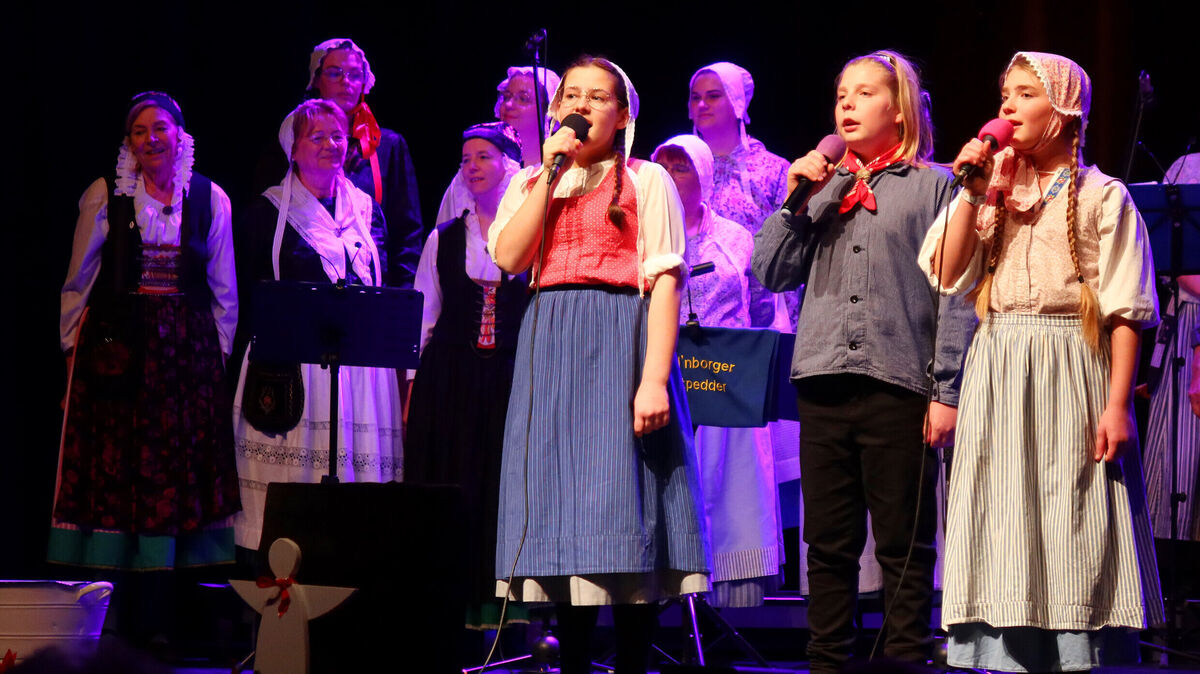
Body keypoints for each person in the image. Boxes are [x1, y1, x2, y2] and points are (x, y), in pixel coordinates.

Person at [922, 51, 1165, 672]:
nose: (1007, 106)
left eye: (1026, 94)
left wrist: (1116, 404)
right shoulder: (993, 191)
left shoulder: (1102, 196)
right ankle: (1006, 653)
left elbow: (1126, 309)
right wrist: (973, 191)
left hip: (1070, 367)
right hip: (1000, 366)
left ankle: (1077, 649)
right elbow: (947, 275)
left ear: (1063, 112)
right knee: (1003, 510)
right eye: (1005, 93)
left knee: (1071, 510)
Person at [751, 50, 975, 673]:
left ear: (898, 109)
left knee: (904, 540)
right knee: (827, 542)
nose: (845, 103)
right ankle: (828, 658)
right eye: (841, 93)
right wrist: (804, 194)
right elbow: (769, 271)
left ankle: (904, 654)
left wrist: (947, 390)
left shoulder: (936, 188)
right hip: (823, 380)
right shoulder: (819, 186)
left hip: (899, 381)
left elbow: (956, 295)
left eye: (864, 92)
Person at [488, 56, 709, 674]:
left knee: (625, 501)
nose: (582, 105)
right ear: (556, 110)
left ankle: (633, 663)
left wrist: (654, 379)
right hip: (550, 346)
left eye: (598, 97)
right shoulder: (534, 179)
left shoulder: (646, 180)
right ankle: (574, 664)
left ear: (623, 115)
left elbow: (663, 280)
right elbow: (509, 256)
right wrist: (549, 172)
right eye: (571, 95)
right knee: (561, 506)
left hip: (621, 340)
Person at [53, 91, 241, 642]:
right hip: (115, 351)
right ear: (128, 142)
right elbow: (78, 279)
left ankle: (161, 621)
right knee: (115, 473)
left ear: (181, 135)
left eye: (161, 128)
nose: (151, 138)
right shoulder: (105, 197)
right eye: (139, 131)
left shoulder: (210, 199)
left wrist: (216, 362)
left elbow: (223, 292)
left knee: (173, 479)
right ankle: (109, 624)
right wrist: (71, 351)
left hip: (186, 355)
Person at [231, 99, 402, 552]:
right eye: (318, 136)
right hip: (295, 363)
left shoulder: (367, 211)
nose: (331, 145)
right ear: (293, 148)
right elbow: (251, 292)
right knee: (295, 473)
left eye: (337, 136)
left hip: (360, 368)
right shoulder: (266, 213)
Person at [404, 121, 529, 633]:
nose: (471, 166)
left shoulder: (534, 239)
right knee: (454, 486)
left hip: (510, 381)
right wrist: (411, 394)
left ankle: (508, 613)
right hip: (450, 383)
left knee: (503, 490)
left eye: (482, 156)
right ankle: (448, 612)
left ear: (509, 165)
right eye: (465, 159)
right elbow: (424, 319)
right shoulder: (445, 238)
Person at [652, 133, 784, 608]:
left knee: (730, 493)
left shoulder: (735, 238)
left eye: (681, 167)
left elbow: (766, 310)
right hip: (666, 382)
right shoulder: (643, 236)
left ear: (705, 176)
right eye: (661, 165)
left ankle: (724, 617)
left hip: (726, 384)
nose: (669, 175)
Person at [308, 38, 423, 287]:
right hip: (308, 280)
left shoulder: (388, 146)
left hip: (371, 288)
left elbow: (407, 233)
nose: (345, 81)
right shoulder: (296, 143)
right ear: (317, 80)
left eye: (354, 74)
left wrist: (401, 298)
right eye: (334, 72)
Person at [689, 61, 792, 329]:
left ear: (736, 101)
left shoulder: (773, 169)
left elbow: (788, 245)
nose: (702, 105)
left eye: (713, 96)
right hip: (688, 304)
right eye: (695, 97)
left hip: (755, 311)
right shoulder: (678, 166)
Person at [1143, 152, 1200, 543]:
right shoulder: (1189, 168)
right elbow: (1171, 257)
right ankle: (1170, 573)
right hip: (1191, 318)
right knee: (1175, 460)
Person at [435, 66, 560, 225]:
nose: (508, 105)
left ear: (549, 111)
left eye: (523, 98)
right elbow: (447, 236)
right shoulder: (474, 171)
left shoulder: (558, 171)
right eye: (506, 97)